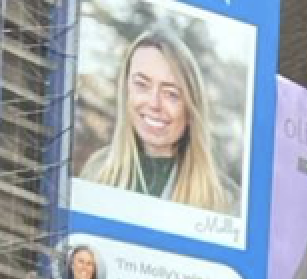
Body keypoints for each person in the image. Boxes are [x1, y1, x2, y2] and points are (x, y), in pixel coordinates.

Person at [80, 27, 236, 213]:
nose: (154, 103)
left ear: (191, 110)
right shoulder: (97, 171)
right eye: (142, 85)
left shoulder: (225, 199)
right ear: (126, 91)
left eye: (171, 94)